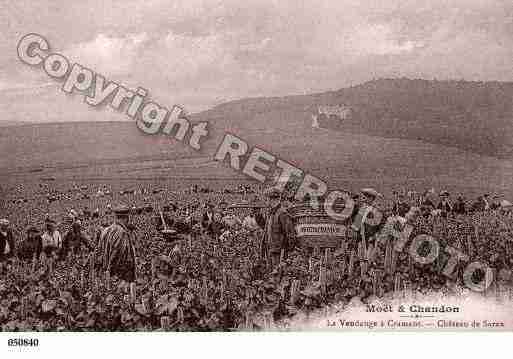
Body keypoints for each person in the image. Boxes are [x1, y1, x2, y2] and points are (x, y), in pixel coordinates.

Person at [96, 206, 137, 282]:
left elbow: (99, 251)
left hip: (105, 274)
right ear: (126, 217)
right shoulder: (122, 233)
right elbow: (119, 254)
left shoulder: (105, 230)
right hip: (118, 276)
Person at [261, 188, 295, 267]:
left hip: (279, 253)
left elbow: (290, 234)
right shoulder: (271, 213)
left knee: (278, 275)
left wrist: (288, 253)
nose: (266, 202)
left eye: (267, 199)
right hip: (271, 251)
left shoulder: (282, 214)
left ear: (272, 199)